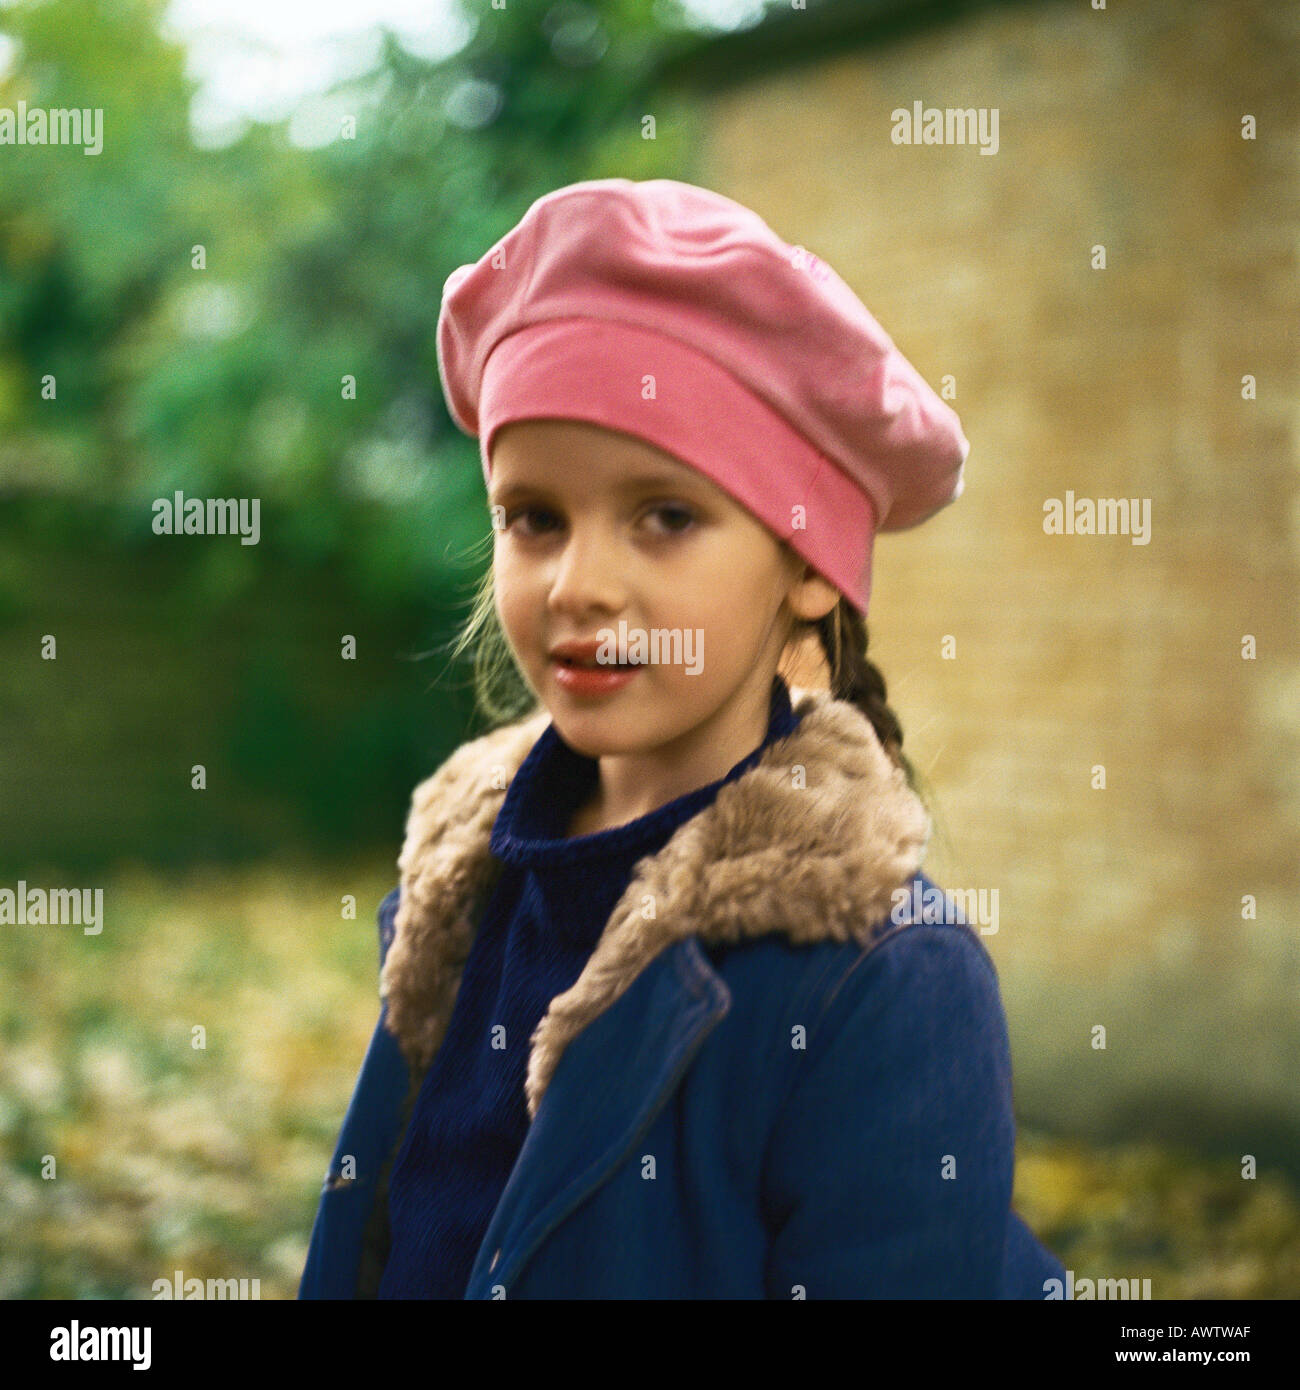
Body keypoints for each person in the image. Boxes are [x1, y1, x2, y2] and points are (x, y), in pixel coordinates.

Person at [298, 178, 1066, 1299]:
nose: (579, 584)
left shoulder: (884, 984)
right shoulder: (456, 885)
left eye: (665, 516)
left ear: (808, 568)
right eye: (534, 517)